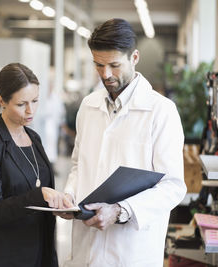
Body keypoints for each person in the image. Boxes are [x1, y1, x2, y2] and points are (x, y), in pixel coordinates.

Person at [57, 18, 187, 267]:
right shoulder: (88, 106)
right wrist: (69, 196)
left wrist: (119, 210)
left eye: (114, 65)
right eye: (99, 65)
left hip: (130, 252)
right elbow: (77, 166)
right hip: (86, 246)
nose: (105, 74)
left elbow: (172, 187)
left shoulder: (161, 111)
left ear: (134, 58)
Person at [0, 63, 70, 267]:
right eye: (22, 104)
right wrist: (39, 196)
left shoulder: (34, 138)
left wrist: (58, 203)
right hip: (2, 257)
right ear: (2, 101)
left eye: (35, 101)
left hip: (39, 250)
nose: (30, 110)